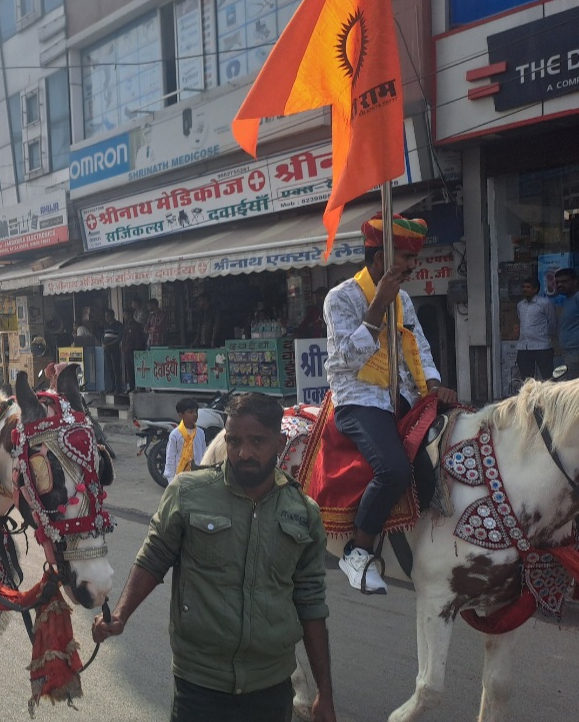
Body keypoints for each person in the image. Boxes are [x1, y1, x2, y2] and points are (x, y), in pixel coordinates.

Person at [93, 393, 335, 722]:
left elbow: (311, 602)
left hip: (271, 686)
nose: (243, 452)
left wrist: (325, 692)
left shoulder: (303, 513)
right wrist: (120, 615)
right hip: (199, 684)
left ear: (279, 443)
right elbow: (154, 557)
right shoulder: (187, 493)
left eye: (257, 441)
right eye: (234, 441)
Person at [323, 213, 458, 594]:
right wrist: (377, 307)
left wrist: (435, 386)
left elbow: (420, 348)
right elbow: (348, 359)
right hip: (359, 399)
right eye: (407, 257)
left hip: (405, 395)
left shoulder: (405, 300)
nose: (413, 265)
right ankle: (359, 549)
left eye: (414, 258)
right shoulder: (341, 297)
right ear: (382, 257)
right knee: (394, 470)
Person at [513, 277, 556, 381]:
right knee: (527, 379)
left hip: (542, 346)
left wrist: (546, 336)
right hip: (524, 347)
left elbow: (552, 323)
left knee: (548, 377)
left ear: (535, 289)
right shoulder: (520, 305)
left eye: (528, 287)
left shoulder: (545, 303)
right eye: (523, 287)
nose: (525, 289)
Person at [163, 398, 207, 484]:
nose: (195, 415)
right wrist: (171, 480)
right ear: (181, 415)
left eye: (196, 412)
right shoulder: (175, 434)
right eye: (190, 412)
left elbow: (204, 454)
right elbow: (170, 458)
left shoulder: (200, 433)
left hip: (197, 476)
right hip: (180, 476)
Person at [556, 267, 579, 379]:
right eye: (557, 282)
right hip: (568, 352)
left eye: (564, 281)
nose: (560, 285)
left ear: (575, 281)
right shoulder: (567, 300)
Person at [121, 304, 147, 391]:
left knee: (137, 369)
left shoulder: (136, 326)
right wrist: (124, 348)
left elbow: (139, 339)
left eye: (125, 314)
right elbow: (124, 338)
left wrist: (137, 349)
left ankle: (140, 386)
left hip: (134, 352)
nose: (124, 316)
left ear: (129, 314)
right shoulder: (126, 326)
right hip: (126, 352)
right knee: (129, 370)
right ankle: (132, 386)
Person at [101, 309, 124, 393]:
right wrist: (103, 342)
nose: (106, 318)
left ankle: (118, 387)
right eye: (105, 316)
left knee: (116, 368)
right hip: (106, 349)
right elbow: (103, 335)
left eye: (108, 316)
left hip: (114, 349)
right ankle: (112, 386)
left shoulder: (118, 325)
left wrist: (110, 344)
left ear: (112, 316)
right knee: (109, 368)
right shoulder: (106, 325)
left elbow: (119, 338)